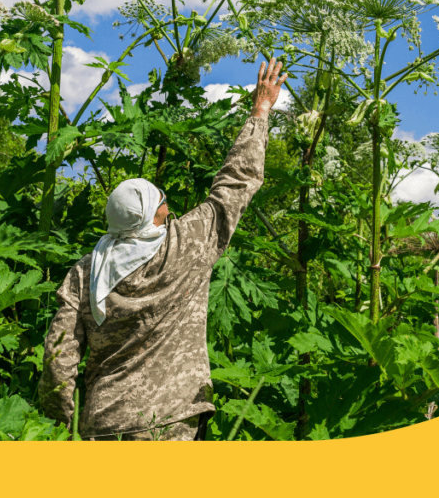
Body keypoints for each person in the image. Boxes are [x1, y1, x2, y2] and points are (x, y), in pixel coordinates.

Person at [37, 58, 288, 440]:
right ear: (157, 215)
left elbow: (59, 355)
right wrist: (260, 111)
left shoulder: (86, 273)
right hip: (173, 424)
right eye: (163, 201)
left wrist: (59, 422)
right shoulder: (187, 243)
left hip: (105, 425)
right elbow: (236, 182)